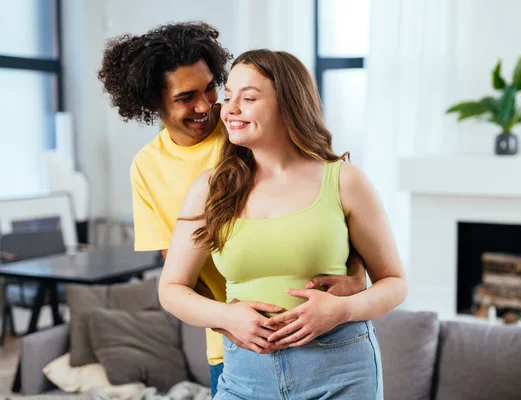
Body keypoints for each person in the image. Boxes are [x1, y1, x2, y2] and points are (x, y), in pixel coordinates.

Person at [97, 22, 368, 397]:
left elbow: (329, 212)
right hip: (237, 343)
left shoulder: (246, 121)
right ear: (152, 102)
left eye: (211, 88)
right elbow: (175, 269)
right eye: (185, 97)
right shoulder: (147, 167)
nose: (207, 105)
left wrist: (356, 277)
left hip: (321, 336)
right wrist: (231, 321)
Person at [159, 49, 408, 399]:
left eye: (248, 98)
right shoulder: (210, 189)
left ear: (288, 104)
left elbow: (395, 283)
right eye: (228, 97)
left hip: (340, 372)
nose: (228, 109)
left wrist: (343, 309)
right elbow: (171, 288)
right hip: (245, 377)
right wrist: (227, 318)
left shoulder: (344, 182)